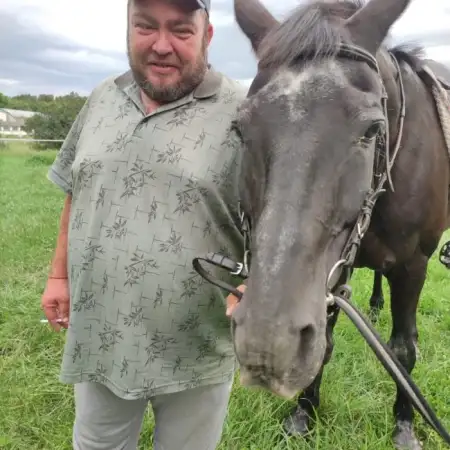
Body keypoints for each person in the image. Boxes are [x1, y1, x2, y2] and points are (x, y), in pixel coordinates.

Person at [41, 0, 249, 448]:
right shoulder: (102, 97)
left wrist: (264, 280)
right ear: (128, 29)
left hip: (196, 343)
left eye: (180, 30)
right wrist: (58, 275)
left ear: (207, 36)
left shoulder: (244, 113)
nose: (161, 45)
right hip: (101, 331)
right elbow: (77, 188)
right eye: (146, 27)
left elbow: (278, 210)